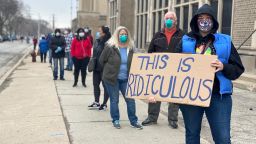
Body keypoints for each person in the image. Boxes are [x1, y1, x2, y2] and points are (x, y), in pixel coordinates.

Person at [172, 4, 244, 143]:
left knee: (223, 138)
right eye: (200, 18)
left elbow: (238, 69)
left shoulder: (225, 41)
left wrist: (224, 66)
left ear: (214, 22)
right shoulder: (185, 40)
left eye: (208, 18)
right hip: (190, 97)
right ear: (195, 21)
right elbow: (172, 69)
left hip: (218, 97)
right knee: (192, 135)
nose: (204, 21)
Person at [142, 11, 184, 129]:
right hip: (158, 72)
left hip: (175, 71)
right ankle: (152, 117)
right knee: (155, 93)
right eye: (167, 18)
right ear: (164, 20)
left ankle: (172, 119)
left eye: (171, 18)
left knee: (174, 96)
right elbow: (150, 52)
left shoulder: (182, 35)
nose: (169, 20)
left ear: (176, 21)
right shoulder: (158, 35)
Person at [99, 26, 143, 130]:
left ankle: (134, 121)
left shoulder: (131, 48)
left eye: (125, 34)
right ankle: (116, 120)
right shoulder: (110, 47)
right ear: (117, 35)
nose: (123, 36)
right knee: (114, 100)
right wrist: (110, 70)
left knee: (130, 100)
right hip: (112, 79)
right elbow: (101, 60)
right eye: (121, 34)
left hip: (126, 79)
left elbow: (137, 61)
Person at [88, 26, 111, 110]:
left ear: (104, 33)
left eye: (100, 31)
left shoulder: (109, 43)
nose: (98, 33)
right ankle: (96, 102)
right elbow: (94, 53)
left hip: (105, 68)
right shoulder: (97, 41)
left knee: (106, 86)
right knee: (95, 85)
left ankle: (104, 103)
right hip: (96, 67)